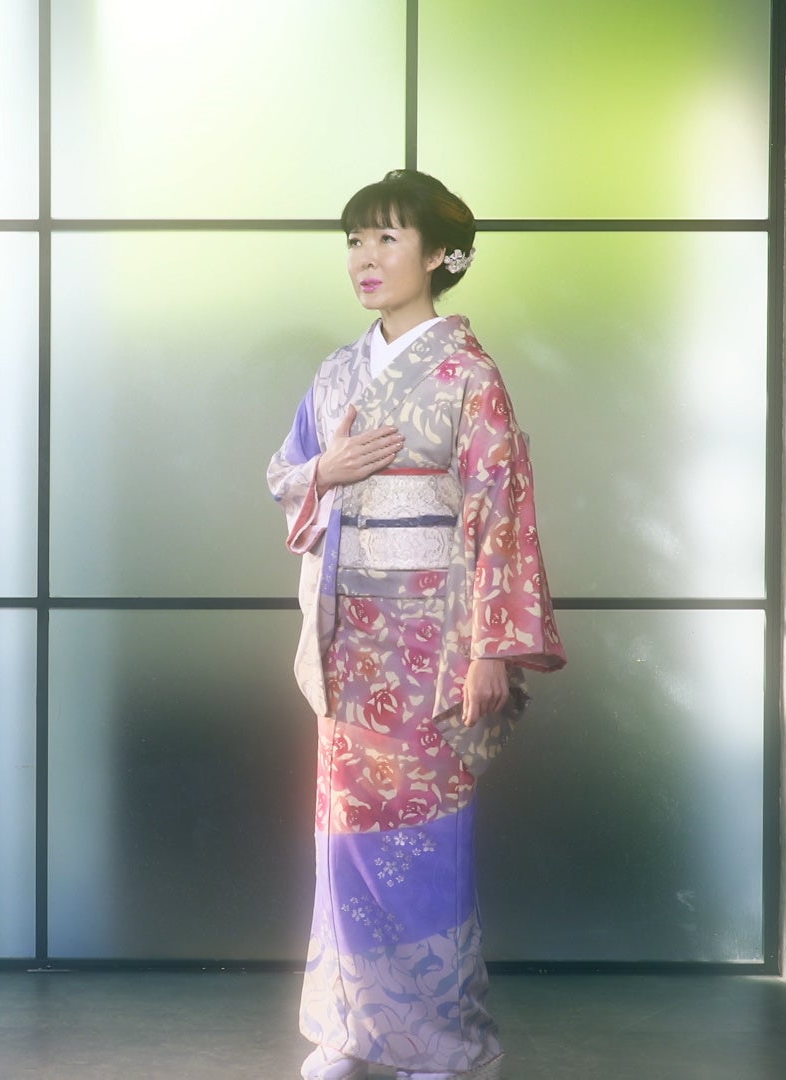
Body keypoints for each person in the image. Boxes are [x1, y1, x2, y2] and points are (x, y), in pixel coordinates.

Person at [266, 169, 566, 1080]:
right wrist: (326, 472)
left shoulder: (468, 377)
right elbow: (286, 475)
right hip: (349, 639)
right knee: (344, 843)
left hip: (435, 643)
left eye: (388, 239)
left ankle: (442, 1044)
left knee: (426, 848)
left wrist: (490, 649)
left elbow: (500, 511)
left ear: (440, 254)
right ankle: (350, 1032)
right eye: (356, 240)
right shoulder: (336, 373)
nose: (366, 257)